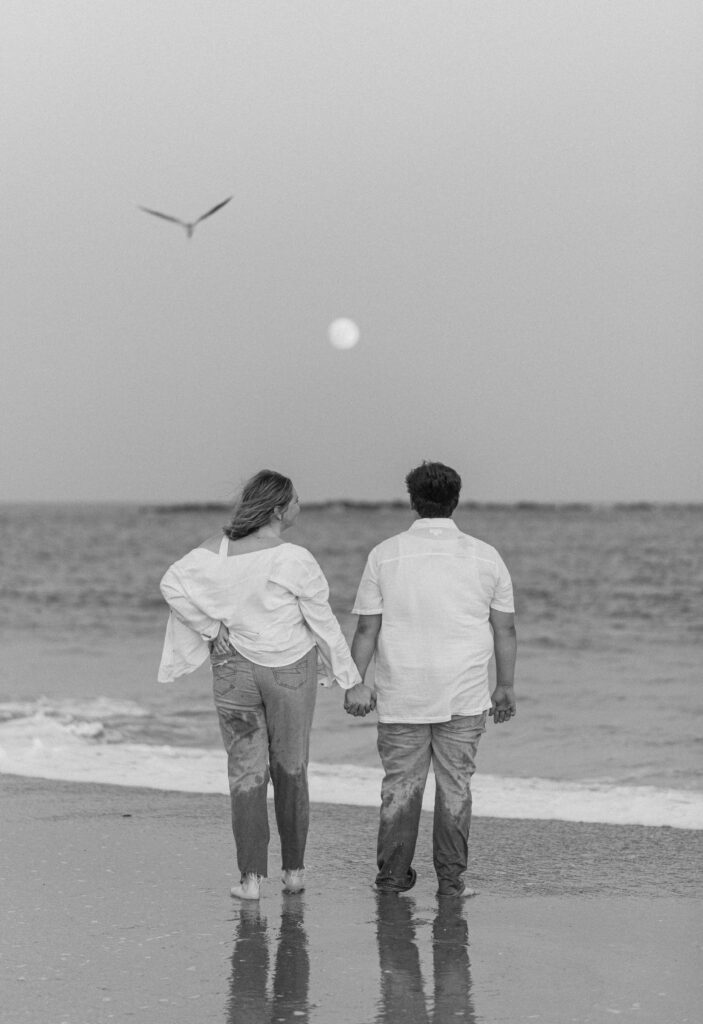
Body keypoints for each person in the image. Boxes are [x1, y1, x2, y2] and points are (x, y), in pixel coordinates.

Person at [158, 469, 361, 900]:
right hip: (289, 670)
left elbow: (170, 583)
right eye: (296, 500)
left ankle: (250, 881)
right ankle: (293, 873)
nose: (300, 506)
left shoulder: (218, 548)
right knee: (291, 769)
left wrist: (210, 627)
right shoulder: (294, 557)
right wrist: (349, 678)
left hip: (233, 668)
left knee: (246, 774)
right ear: (278, 509)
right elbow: (322, 623)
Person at [344, 461, 517, 897]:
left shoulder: (385, 554)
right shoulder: (486, 556)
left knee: (401, 787)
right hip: (465, 691)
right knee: (455, 787)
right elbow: (505, 629)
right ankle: (451, 881)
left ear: (413, 501)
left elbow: (367, 628)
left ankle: (392, 878)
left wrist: (354, 680)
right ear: (455, 500)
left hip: (404, 690)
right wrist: (506, 686)